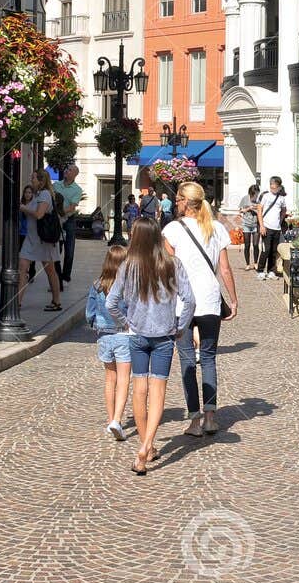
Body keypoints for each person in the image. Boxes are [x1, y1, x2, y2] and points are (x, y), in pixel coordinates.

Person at [105, 219, 196, 475]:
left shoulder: (128, 266)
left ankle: (147, 445)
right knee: (158, 391)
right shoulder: (172, 263)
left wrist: (126, 323)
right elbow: (190, 300)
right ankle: (145, 448)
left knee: (139, 389)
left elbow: (111, 303)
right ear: (157, 237)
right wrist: (181, 326)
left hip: (137, 335)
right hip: (164, 336)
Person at [162, 181, 238, 437]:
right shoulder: (216, 228)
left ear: (186, 201)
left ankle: (194, 420)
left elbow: (168, 271)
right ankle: (210, 418)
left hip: (182, 303)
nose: (175, 203)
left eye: (178, 199)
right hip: (209, 300)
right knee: (208, 358)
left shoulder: (172, 229)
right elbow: (225, 269)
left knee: (186, 361)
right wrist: (234, 299)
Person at [84, 244, 131, 441]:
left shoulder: (97, 284)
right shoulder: (128, 286)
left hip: (104, 336)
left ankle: (110, 418)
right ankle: (117, 420)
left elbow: (89, 313)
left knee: (109, 379)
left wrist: (97, 325)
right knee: (124, 379)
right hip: (123, 335)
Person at [19, 169, 64, 311]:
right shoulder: (37, 194)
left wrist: (23, 208)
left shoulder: (44, 194)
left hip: (44, 239)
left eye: (33, 178)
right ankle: (17, 302)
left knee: (50, 270)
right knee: (22, 268)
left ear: (41, 181)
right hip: (31, 238)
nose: (31, 180)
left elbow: (39, 214)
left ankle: (56, 301)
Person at [52, 165, 84, 284]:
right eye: (66, 169)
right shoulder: (56, 185)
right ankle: (57, 277)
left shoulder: (77, 189)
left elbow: (72, 207)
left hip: (69, 220)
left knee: (69, 251)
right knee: (56, 250)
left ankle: (66, 275)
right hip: (56, 221)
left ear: (75, 174)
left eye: (69, 170)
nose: (66, 171)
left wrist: (60, 212)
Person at [256, 176, 287, 281]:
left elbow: (284, 210)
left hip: (276, 228)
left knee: (274, 251)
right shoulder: (266, 196)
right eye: (271, 184)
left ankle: (271, 271)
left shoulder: (281, 198)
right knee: (266, 249)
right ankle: (260, 270)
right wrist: (261, 225)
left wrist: (280, 220)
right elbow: (259, 210)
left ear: (279, 187)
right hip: (266, 227)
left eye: (275, 185)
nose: (272, 187)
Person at [238, 184, 261, 269]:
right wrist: (248, 208)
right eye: (254, 194)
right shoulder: (245, 198)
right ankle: (247, 264)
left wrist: (256, 209)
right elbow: (240, 210)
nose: (255, 195)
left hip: (256, 224)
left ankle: (256, 263)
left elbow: (262, 211)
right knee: (247, 245)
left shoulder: (259, 200)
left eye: (257, 193)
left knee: (255, 245)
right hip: (246, 224)